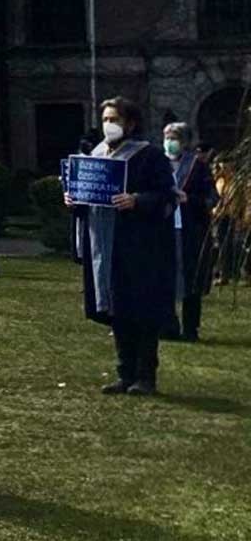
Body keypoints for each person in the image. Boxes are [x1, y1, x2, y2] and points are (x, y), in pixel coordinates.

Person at [67, 96, 176, 395]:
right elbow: (88, 201)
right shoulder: (96, 154)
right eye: (105, 119)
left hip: (137, 245)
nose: (109, 125)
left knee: (140, 308)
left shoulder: (149, 155)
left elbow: (167, 196)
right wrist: (75, 199)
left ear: (131, 123)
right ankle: (124, 373)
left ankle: (145, 376)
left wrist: (137, 200)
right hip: (103, 242)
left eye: (115, 119)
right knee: (116, 309)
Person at [162, 122, 216, 343]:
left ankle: (191, 328)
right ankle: (168, 325)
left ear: (184, 141)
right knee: (164, 277)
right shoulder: (158, 163)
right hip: (163, 228)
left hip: (189, 230)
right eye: (166, 136)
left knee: (190, 279)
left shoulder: (197, 166)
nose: (169, 141)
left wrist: (189, 200)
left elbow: (211, 197)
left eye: (173, 137)